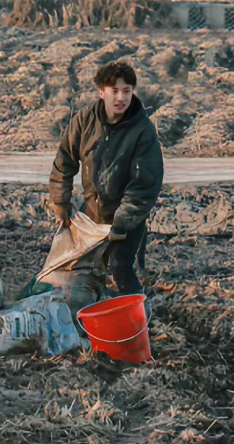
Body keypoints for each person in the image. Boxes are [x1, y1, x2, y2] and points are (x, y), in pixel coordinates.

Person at [49, 60, 164, 297]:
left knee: (120, 270)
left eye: (127, 91)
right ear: (101, 92)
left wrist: (121, 223)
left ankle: (140, 319)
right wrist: (61, 203)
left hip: (127, 221)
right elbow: (64, 163)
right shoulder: (84, 121)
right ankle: (87, 319)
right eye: (114, 91)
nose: (121, 98)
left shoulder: (143, 130)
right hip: (91, 215)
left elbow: (144, 186)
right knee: (83, 272)